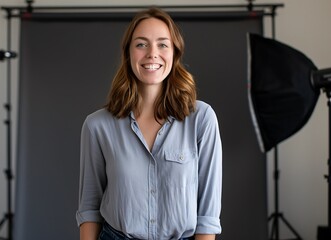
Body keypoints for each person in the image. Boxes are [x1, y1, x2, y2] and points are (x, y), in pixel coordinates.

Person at [76, 7, 222, 240]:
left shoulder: (202, 119)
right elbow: (89, 209)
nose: (152, 54)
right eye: (141, 44)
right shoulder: (97, 126)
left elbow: (208, 215)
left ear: (175, 53)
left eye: (163, 44)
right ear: (128, 53)